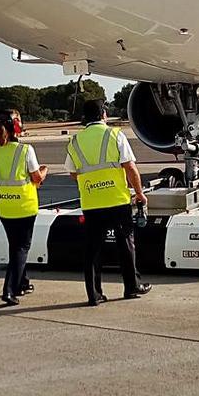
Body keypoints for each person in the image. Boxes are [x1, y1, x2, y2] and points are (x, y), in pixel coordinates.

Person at [65, 99, 151, 306]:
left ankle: (94, 294)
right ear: (104, 114)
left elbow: (73, 173)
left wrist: (92, 183)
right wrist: (139, 193)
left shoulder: (75, 141)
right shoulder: (115, 135)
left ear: (85, 118)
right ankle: (131, 287)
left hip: (91, 203)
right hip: (116, 200)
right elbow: (130, 167)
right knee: (125, 244)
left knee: (92, 249)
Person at [0, 108, 47, 306]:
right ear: (17, 126)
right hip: (24, 206)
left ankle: (22, 282)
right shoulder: (25, 150)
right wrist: (44, 171)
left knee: (15, 246)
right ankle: (9, 289)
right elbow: (36, 178)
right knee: (21, 248)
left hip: (4, 207)